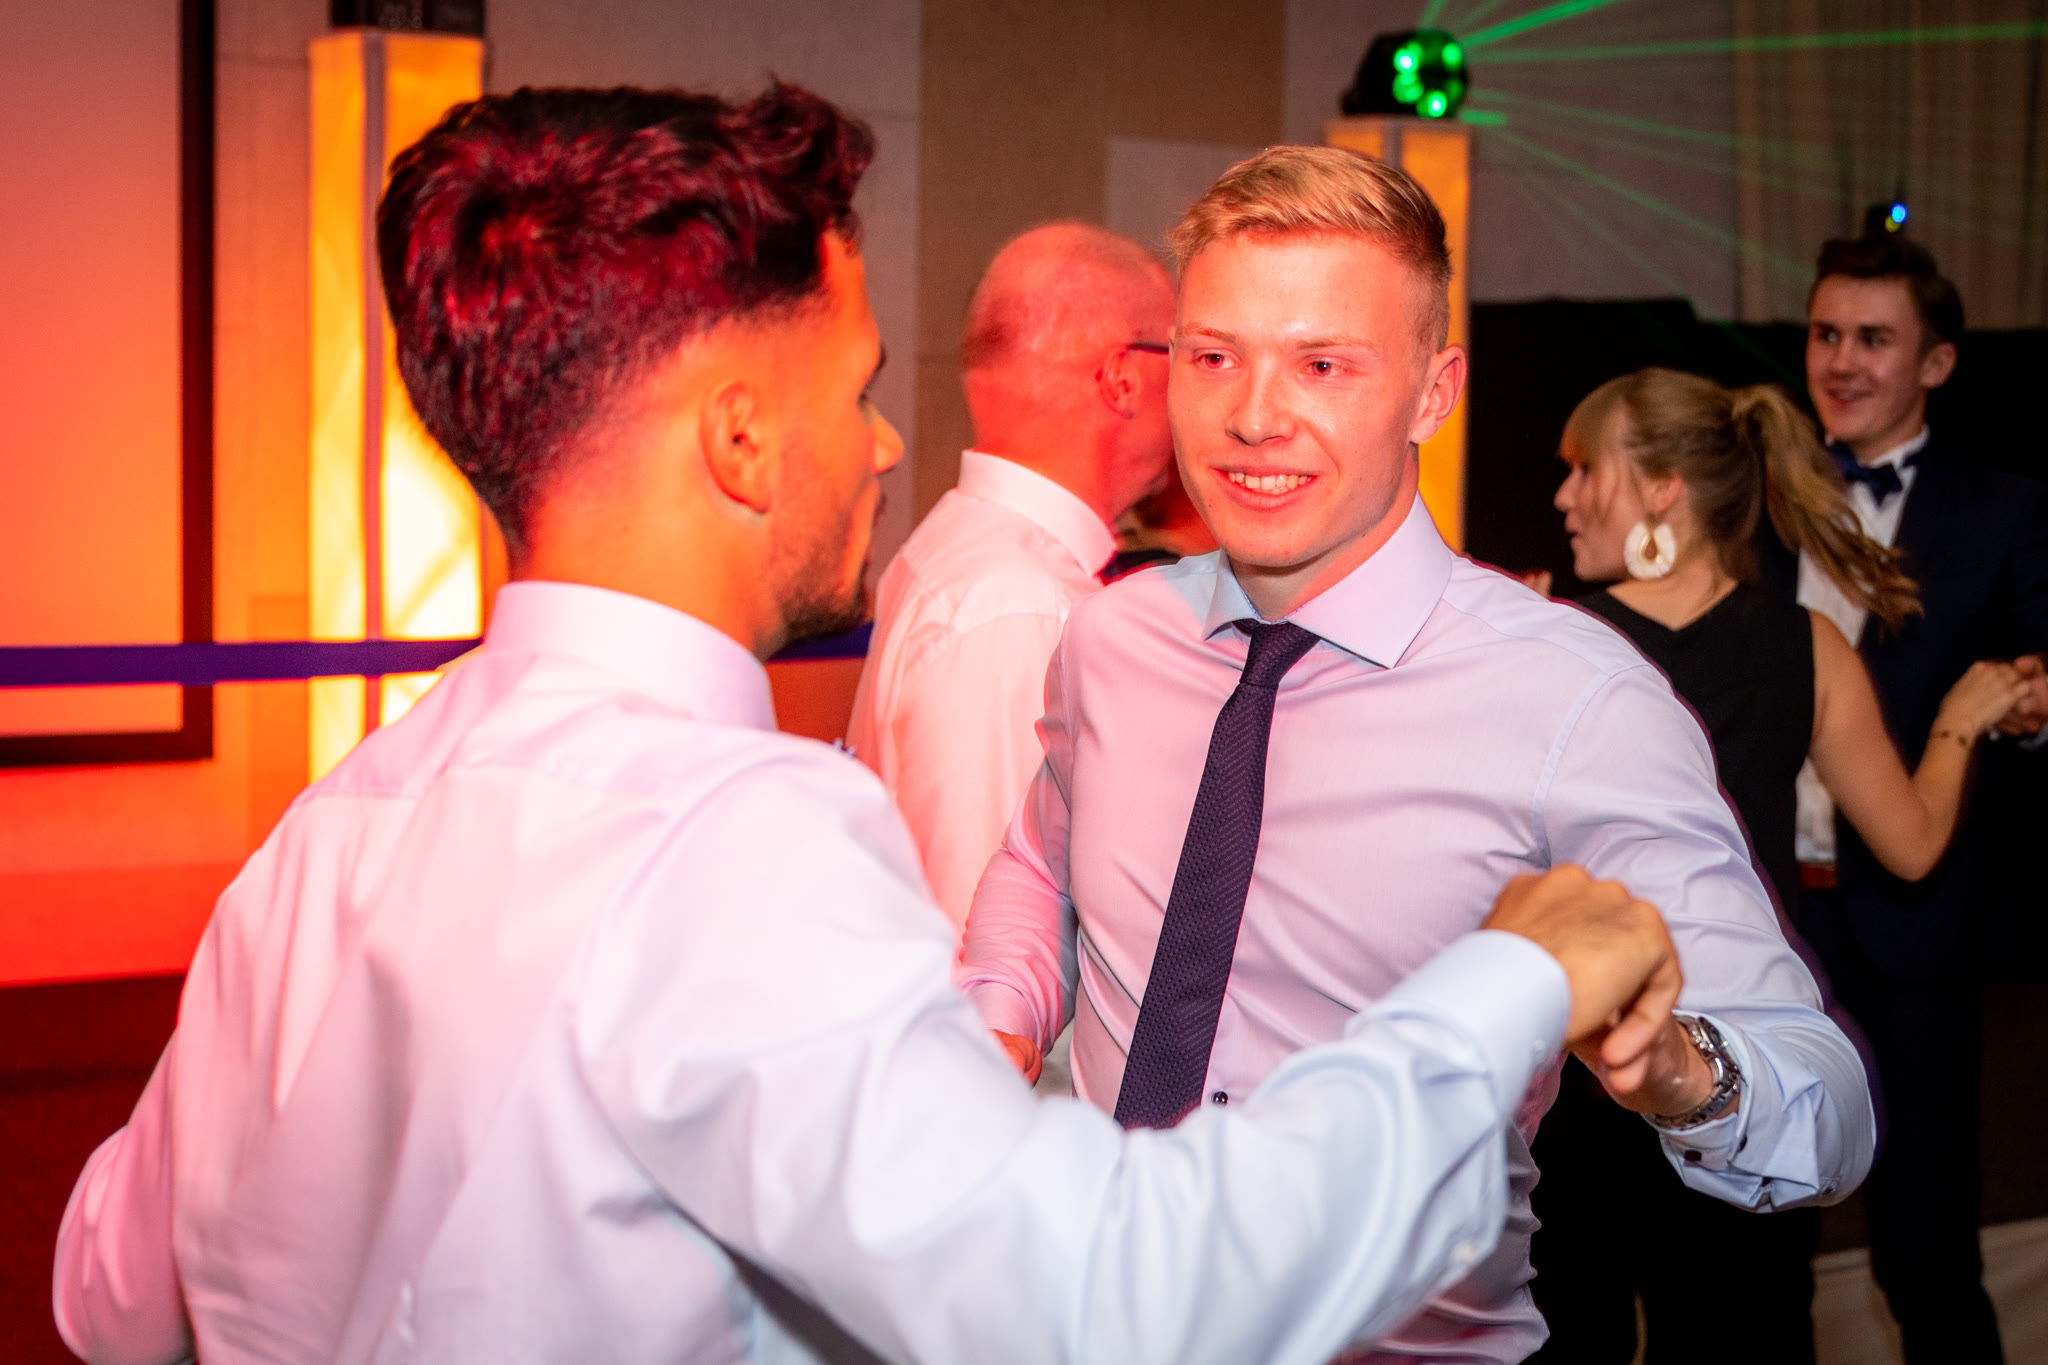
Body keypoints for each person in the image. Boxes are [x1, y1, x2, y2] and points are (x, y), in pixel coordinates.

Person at [51, 84, 1696, 1365]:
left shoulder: (328, 828)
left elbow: (107, 1296)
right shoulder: (734, 839)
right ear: (742, 441)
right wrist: (1508, 981)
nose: (888, 445)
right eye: (853, 389)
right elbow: (1118, 1297)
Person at [956, 145, 1875, 1365]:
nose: (1252, 416)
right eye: (1213, 356)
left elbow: (1826, 1111)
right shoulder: (1113, 638)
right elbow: (1038, 865)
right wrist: (995, 1022)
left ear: (1432, 395)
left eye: (1322, 365)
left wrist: (1675, 1070)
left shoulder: (1569, 699)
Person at [1534, 366, 2026, 1363]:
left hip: (1584, 1068)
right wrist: (1959, 721)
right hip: (1744, 1070)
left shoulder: (1553, 642)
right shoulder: (1807, 644)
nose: (1564, 495)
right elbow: (1913, 842)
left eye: (1586, 468)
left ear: (1662, 488)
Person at [1753, 233, 2048, 1363]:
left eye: (1872, 339)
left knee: (1925, 1244)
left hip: (1917, 925)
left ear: (1935, 363)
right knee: (1757, 1236)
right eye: (1825, 333)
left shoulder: (2002, 509)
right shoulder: (1754, 496)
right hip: (1766, 919)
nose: (1840, 361)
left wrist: (2027, 704)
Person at [846, 222, 1176, 930]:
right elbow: (996, 941)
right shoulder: (1020, 607)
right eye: (1190, 355)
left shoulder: (974, 554)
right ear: (1122, 377)